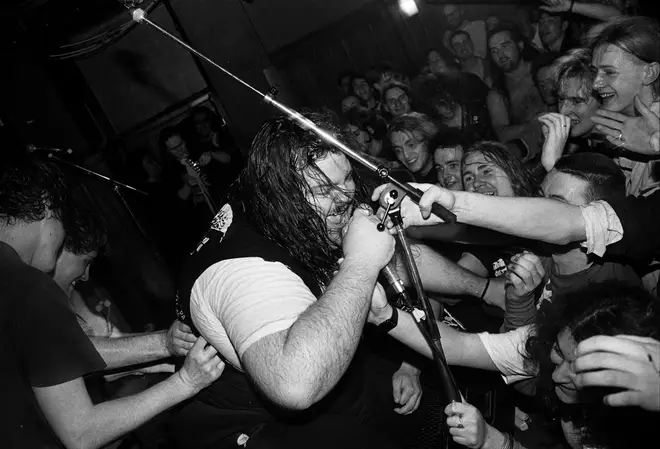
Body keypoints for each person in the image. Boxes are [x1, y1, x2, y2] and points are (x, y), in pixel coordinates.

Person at [0, 153, 224, 449]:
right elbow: (81, 433)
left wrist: (165, 344)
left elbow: (64, 351)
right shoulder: (29, 285)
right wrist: (187, 382)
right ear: (47, 205)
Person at [368, 277, 660, 448]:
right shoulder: (542, 340)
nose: (558, 375)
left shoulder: (638, 424)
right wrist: (384, 315)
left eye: (582, 368)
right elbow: (459, 347)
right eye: (559, 352)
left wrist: (494, 443)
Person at [588, 16, 660, 197]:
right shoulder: (628, 128)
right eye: (595, 72)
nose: (596, 84)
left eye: (609, 72)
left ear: (649, 73)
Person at [486, 23, 548, 160]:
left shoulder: (544, 68)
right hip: (533, 156)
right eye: (494, 51)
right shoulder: (498, 93)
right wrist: (533, 124)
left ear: (520, 45)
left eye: (505, 46)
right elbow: (502, 134)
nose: (500, 55)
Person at [387, 112, 439, 184]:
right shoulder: (403, 179)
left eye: (411, 145)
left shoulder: (444, 175)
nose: (406, 155)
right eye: (398, 150)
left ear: (427, 141)